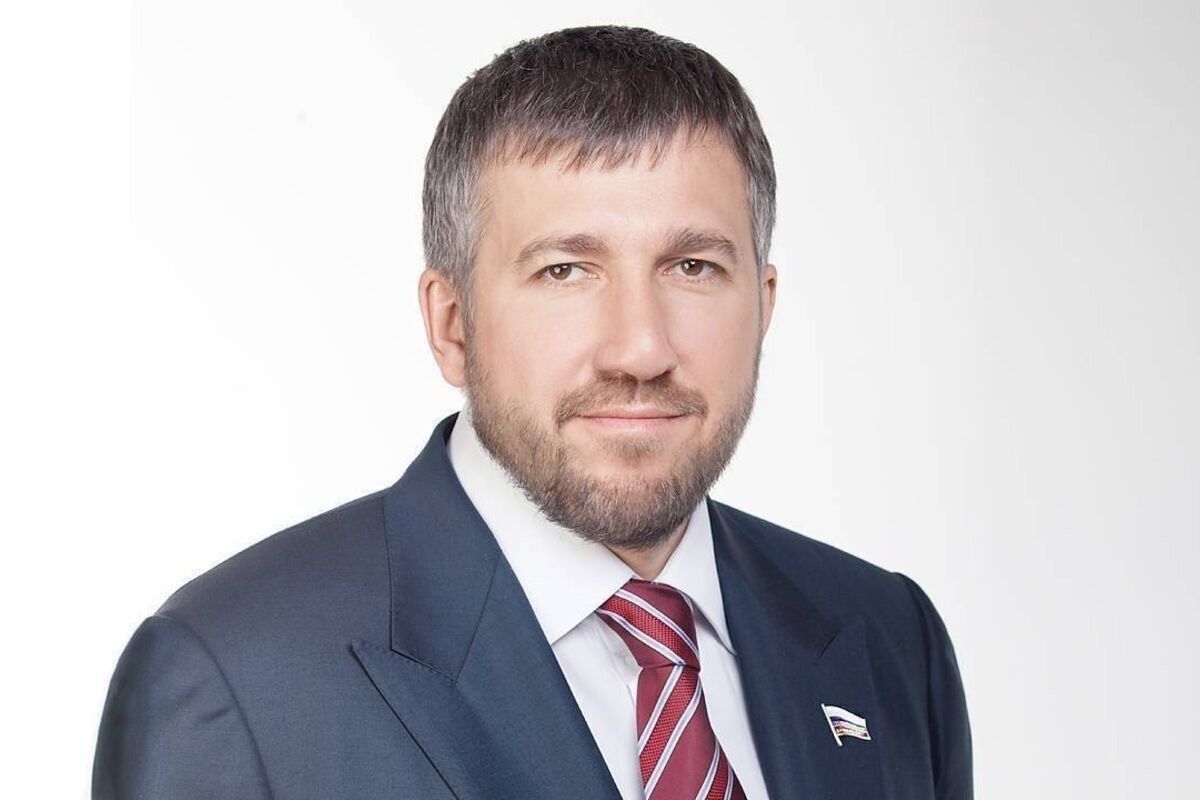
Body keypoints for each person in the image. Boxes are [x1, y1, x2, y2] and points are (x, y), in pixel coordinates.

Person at [93, 24, 972, 800]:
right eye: (565, 270)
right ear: (452, 324)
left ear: (764, 306)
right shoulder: (237, 681)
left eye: (693, 267)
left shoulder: (890, 642)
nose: (640, 350)